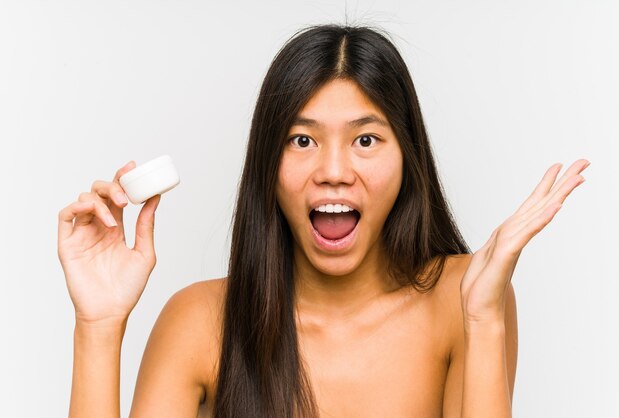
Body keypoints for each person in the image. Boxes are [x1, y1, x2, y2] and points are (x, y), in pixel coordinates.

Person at [57, 24, 588, 418]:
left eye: (365, 140)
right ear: (268, 162)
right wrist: (98, 326)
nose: (334, 172)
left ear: (408, 158)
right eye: (302, 140)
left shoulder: (464, 297)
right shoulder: (198, 322)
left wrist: (484, 320)